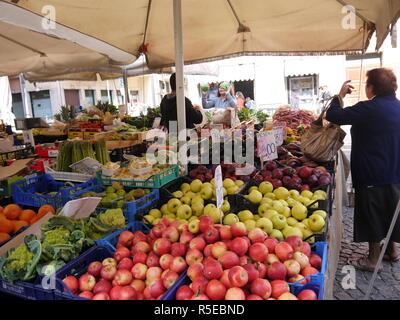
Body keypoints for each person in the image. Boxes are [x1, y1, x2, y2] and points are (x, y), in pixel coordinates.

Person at [326, 68, 400, 272]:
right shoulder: (398, 107)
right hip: (395, 172)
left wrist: (339, 95)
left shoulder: (369, 108)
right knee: (391, 210)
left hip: (371, 173)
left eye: (367, 85)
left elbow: (333, 115)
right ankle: (392, 251)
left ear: (372, 87)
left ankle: (373, 260)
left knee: (373, 214)